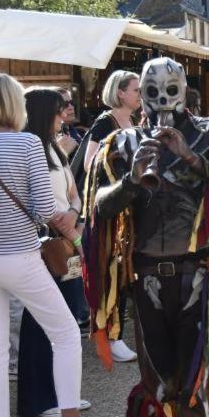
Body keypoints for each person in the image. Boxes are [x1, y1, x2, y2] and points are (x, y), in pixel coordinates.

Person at [86, 57, 209, 417]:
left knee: (197, 375)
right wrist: (132, 184)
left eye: (169, 89)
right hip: (147, 277)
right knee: (158, 374)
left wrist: (190, 157)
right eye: (151, 90)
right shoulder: (122, 141)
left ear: (183, 89)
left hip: (197, 272)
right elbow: (98, 206)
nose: (160, 100)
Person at [0, 71, 116, 417]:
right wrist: (71, 214)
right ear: (12, 104)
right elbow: (43, 208)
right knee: (67, 334)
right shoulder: (26, 145)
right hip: (18, 256)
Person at [17, 88, 93, 417]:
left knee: (65, 315)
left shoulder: (54, 148)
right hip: (51, 243)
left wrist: (74, 217)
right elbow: (46, 206)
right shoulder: (33, 150)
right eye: (59, 109)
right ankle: (40, 398)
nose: (64, 115)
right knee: (44, 324)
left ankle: (59, 394)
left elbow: (73, 193)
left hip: (65, 237)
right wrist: (71, 231)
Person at [79, 70, 141, 363]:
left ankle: (119, 332)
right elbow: (91, 163)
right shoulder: (105, 123)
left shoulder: (138, 122)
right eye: (136, 90)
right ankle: (111, 335)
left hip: (130, 207)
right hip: (109, 208)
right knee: (111, 269)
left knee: (127, 268)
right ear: (120, 93)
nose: (140, 95)